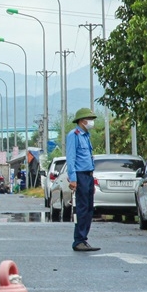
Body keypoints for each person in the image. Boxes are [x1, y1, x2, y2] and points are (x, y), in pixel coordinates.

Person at [66, 108, 100, 252]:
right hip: (79, 175)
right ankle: (78, 240)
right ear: (82, 121)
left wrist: (92, 178)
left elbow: (88, 159)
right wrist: (73, 179)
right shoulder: (74, 135)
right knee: (81, 208)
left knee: (89, 209)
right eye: (89, 119)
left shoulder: (86, 135)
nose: (91, 122)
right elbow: (71, 158)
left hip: (88, 175)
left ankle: (84, 239)